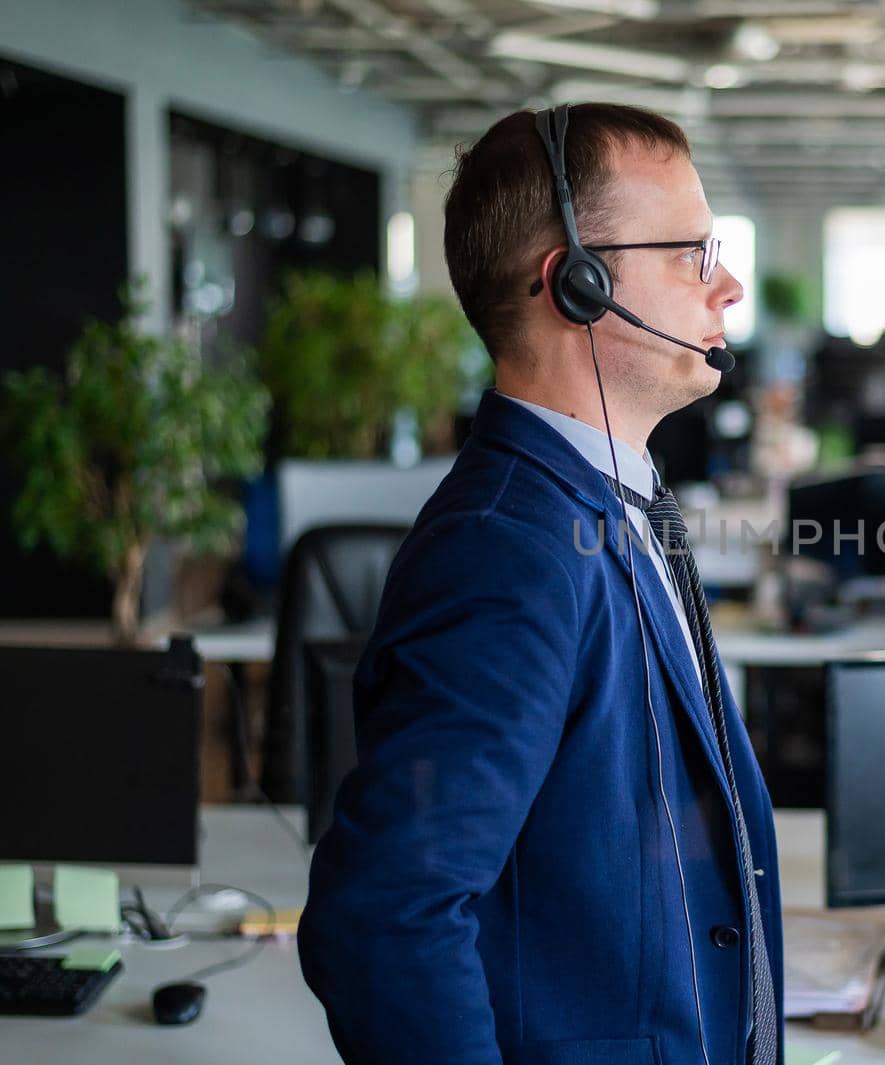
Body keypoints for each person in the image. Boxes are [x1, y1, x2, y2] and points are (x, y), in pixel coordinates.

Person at [298, 103, 782, 1065]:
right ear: (582, 287)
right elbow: (387, 919)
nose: (726, 287)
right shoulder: (504, 552)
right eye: (693, 253)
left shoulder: (617, 496)